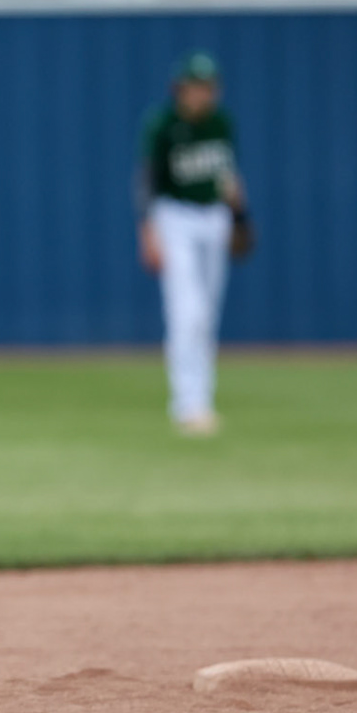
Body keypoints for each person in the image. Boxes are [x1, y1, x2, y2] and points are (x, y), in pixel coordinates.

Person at [136, 51, 251, 436]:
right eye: (194, 87)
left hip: (214, 216)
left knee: (208, 314)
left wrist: (240, 218)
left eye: (207, 87)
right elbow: (148, 178)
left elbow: (229, 176)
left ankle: (202, 400)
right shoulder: (164, 124)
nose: (201, 94)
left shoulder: (221, 123)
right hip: (176, 217)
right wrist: (148, 228)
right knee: (188, 312)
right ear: (180, 89)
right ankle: (188, 404)